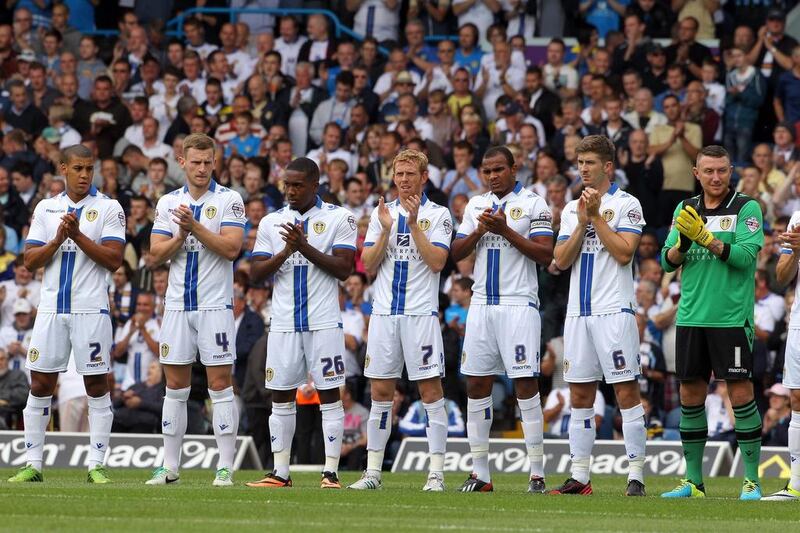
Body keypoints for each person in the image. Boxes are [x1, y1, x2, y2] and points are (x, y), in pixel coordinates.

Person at [8, 145, 126, 484]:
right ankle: (33, 464)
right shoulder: (47, 208)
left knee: (96, 384)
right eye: (78, 168)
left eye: (90, 168)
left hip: (91, 309)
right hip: (50, 310)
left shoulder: (108, 208)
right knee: (41, 383)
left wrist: (77, 236)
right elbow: (30, 261)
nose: (85, 175)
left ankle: (97, 465)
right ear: (63, 168)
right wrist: (59, 239)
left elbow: (114, 259)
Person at [660, 145, 764, 500]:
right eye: (709, 171)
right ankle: (694, 481)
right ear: (696, 173)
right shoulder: (685, 208)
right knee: (690, 394)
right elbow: (667, 261)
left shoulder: (746, 207)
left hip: (731, 319)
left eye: (722, 170)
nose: (716, 177)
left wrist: (708, 240)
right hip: (690, 316)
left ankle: (751, 480)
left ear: (731, 170)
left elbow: (746, 258)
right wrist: (685, 244)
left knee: (740, 394)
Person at [247, 157, 356, 489]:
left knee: (329, 395)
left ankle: (331, 473)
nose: (290, 191)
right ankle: (281, 472)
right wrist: (286, 251)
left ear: (315, 184)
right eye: (286, 185)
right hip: (282, 324)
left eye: (297, 185)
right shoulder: (271, 222)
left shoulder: (340, 217)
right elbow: (255, 275)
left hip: (323, 322)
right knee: (280, 394)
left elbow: (343, 268)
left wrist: (304, 246)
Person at [451, 146, 553, 493]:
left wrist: (506, 230)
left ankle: (537, 474)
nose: (492, 176)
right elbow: (456, 253)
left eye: (498, 169)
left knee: (526, 385)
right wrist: (480, 231)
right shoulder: (476, 205)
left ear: (514, 168)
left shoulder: (535, 203)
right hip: (481, 304)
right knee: (477, 385)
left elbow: (545, 253)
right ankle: (481, 474)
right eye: (487, 170)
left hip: (518, 303)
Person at [348, 149, 451, 492]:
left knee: (430, 392)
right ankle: (373, 472)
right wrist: (386, 230)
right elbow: (369, 263)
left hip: (420, 314)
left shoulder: (438, 214)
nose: (404, 179)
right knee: (379, 391)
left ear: (424, 177)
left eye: (410, 174)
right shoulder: (383, 213)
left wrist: (412, 226)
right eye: (399, 173)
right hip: (384, 314)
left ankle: (436, 473)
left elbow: (437, 261)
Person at [146, 133, 246, 487]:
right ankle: (170, 466)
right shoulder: (168, 202)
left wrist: (195, 227)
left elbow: (232, 248)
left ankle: (225, 467)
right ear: (182, 161)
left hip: (215, 305)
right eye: (196, 162)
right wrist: (180, 236)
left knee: (220, 385)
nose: (202, 168)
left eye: (208, 162)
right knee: (174, 387)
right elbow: (155, 255)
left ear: (214, 162)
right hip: (176, 305)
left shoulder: (230, 200)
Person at [552, 135, 647, 497]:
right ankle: (580, 476)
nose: (583, 169)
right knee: (579, 395)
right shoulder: (571, 208)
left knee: (625, 391)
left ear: (608, 166)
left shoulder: (628, 204)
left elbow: (625, 252)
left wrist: (595, 220)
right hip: (578, 313)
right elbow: (560, 260)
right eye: (579, 163)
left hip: (613, 311)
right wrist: (581, 223)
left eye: (589, 163)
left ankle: (635, 475)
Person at [764, 209, 800, 500]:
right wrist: (796, 252)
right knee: (797, 397)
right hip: (799, 320)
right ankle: (796, 484)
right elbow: (781, 276)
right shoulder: (798, 217)